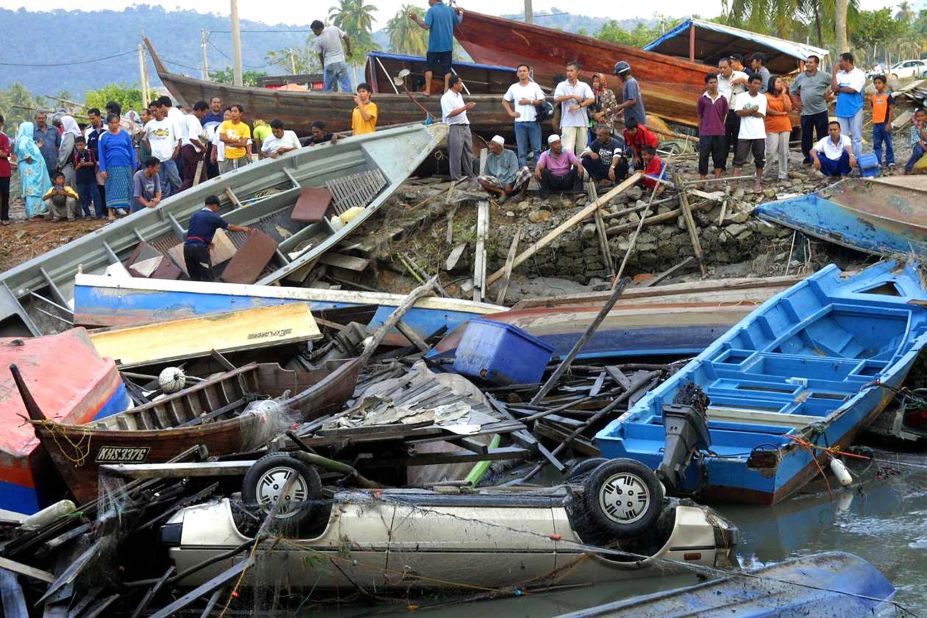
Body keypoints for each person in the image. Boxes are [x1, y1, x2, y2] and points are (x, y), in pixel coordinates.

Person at [183, 195, 253, 282]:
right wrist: (243, 228)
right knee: (208, 277)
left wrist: (207, 243)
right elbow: (229, 227)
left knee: (194, 277)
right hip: (199, 249)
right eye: (218, 207)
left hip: (187, 248)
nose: (217, 210)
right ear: (214, 205)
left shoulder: (194, 216)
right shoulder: (214, 217)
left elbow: (195, 232)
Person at [409, 0, 463, 94]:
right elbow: (458, 21)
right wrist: (461, 12)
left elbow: (426, 26)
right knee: (447, 69)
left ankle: (428, 90)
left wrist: (416, 18)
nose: (428, 1)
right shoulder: (450, 10)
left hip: (434, 47)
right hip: (447, 46)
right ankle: (446, 91)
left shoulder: (432, 11)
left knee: (429, 68)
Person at [790, 55, 831, 166]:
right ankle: (808, 158)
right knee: (806, 137)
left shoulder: (824, 76)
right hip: (806, 113)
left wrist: (829, 94)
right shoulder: (800, 77)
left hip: (821, 111)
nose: (807, 64)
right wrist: (796, 104)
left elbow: (834, 84)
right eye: (806, 62)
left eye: (810, 62)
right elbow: (792, 91)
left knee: (822, 136)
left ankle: (823, 157)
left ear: (817, 64)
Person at [502, 64, 546, 167]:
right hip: (519, 122)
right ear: (517, 73)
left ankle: (538, 171)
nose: (522, 73)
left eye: (524, 71)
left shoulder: (534, 86)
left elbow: (541, 100)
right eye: (520, 71)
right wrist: (511, 113)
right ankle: (523, 171)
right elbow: (504, 101)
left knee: (537, 149)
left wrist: (529, 101)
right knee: (521, 150)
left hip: (533, 121)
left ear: (528, 72)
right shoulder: (514, 87)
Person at [98, 112, 137, 221]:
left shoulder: (125, 134)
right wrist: (103, 169)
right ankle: (111, 212)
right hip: (111, 166)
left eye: (116, 122)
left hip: (125, 165)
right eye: (112, 123)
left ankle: (130, 210)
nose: (114, 125)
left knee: (128, 187)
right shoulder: (103, 137)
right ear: (108, 124)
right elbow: (101, 154)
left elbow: (130, 149)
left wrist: (134, 164)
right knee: (110, 188)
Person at [732, 74, 768, 191]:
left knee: (760, 158)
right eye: (754, 83)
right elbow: (738, 112)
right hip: (744, 133)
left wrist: (746, 111)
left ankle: (758, 182)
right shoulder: (741, 96)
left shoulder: (762, 98)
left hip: (759, 133)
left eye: (759, 84)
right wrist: (752, 110)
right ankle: (734, 182)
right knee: (739, 158)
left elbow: (761, 114)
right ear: (749, 84)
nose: (756, 86)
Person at [554, 61, 595, 155]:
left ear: (577, 72)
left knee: (582, 149)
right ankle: (568, 169)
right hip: (567, 122)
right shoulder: (562, 85)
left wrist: (579, 106)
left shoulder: (583, 85)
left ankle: (580, 169)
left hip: (582, 122)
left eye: (571, 70)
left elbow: (592, 99)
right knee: (567, 149)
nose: (569, 73)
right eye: (567, 71)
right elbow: (556, 98)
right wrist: (572, 96)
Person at [441, 75, 477, 181]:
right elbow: (449, 113)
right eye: (460, 83)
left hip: (465, 126)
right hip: (454, 127)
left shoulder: (459, 95)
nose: (462, 85)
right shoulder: (446, 97)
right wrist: (465, 107)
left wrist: (466, 107)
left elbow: (461, 110)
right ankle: (456, 179)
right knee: (455, 155)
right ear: (454, 84)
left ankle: (471, 176)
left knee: (468, 153)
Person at [832, 52, 866, 162]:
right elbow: (833, 88)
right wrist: (833, 73)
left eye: (841, 61)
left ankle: (857, 159)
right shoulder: (839, 74)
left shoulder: (859, 74)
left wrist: (840, 89)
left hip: (855, 109)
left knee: (856, 137)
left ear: (847, 61)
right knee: (843, 137)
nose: (839, 63)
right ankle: (845, 160)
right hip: (841, 109)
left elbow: (853, 90)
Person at [14, 122, 51, 219]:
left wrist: (37, 146)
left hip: (34, 170)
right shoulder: (24, 139)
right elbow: (22, 148)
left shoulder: (28, 140)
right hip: (30, 171)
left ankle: (38, 211)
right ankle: (33, 213)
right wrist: (27, 156)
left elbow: (31, 150)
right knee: (32, 190)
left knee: (35, 190)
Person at [476, 135, 530, 202]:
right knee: (480, 178)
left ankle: (521, 194)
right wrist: (492, 183)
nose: (490, 147)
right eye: (490, 144)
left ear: (500, 146)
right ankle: (501, 192)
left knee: (525, 170)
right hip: (498, 181)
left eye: (493, 145)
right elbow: (487, 173)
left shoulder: (510, 154)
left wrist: (508, 182)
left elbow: (514, 169)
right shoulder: (489, 157)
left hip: (510, 180)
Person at [145, 100, 181, 197]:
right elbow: (144, 138)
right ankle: (166, 200)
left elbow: (179, 138)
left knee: (175, 179)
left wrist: (176, 150)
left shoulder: (170, 122)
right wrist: (150, 150)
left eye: (155, 110)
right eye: (151, 111)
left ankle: (179, 198)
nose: (153, 113)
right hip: (156, 158)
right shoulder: (149, 125)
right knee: (161, 182)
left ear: (161, 109)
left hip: (169, 156)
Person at [697, 73, 729, 180]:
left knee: (719, 156)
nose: (713, 84)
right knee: (703, 156)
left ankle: (717, 178)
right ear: (706, 84)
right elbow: (699, 115)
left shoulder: (723, 99)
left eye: (715, 82)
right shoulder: (702, 99)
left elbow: (724, 114)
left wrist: (721, 127)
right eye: (711, 83)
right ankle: (702, 178)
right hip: (705, 132)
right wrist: (700, 130)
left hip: (719, 132)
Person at [717, 58, 748, 160]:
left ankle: (737, 163)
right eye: (720, 68)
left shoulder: (741, 76)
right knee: (723, 139)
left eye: (724, 67)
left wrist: (743, 81)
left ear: (731, 66)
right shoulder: (717, 79)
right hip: (723, 112)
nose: (722, 70)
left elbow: (754, 87)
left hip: (738, 112)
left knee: (738, 138)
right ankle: (721, 165)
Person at [311, 19, 352, 93]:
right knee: (346, 85)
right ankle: (348, 101)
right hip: (340, 62)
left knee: (327, 87)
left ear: (320, 29)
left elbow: (320, 56)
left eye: (315, 31)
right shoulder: (334, 29)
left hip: (329, 64)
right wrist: (348, 50)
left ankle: (327, 102)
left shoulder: (318, 40)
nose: (314, 33)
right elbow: (347, 37)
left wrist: (323, 67)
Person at [764, 75, 793, 181]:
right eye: (778, 82)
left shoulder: (783, 95)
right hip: (771, 126)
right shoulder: (765, 96)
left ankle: (783, 174)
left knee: (784, 152)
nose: (781, 84)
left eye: (781, 82)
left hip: (785, 126)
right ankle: (762, 173)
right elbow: (767, 110)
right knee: (770, 152)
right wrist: (780, 114)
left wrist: (784, 94)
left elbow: (788, 108)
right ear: (772, 84)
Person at [179, 101, 208, 191]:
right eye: (204, 112)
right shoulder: (193, 119)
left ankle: (181, 197)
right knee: (200, 178)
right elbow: (192, 137)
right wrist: (203, 148)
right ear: (199, 110)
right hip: (193, 150)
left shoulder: (185, 118)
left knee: (189, 178)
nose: (204, 115)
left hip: (184, 149)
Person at [72, 137, 103, 219]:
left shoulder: (89, 152)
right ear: (75, 145)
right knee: (83, 196)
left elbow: (93, 163)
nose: (80, 147)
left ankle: (99, 214)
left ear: (85, 144)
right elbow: (75, 168)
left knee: (96, 194)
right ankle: (87, 214)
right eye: (78, 145)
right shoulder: (75, 155)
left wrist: (84, 164)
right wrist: (80, 165)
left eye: (81, 145)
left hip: (91, 178)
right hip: (80, 179)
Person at [219, 104, 252, 173]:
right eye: (231, 111)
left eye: (235, 111)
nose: (233, 113)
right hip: (228, 156)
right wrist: (237, 140)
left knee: (241, 177)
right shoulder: (225, 124)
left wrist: (228, 143)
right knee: (227, 177)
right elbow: (222, 138)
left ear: (240, 113)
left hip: (241, 157)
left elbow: (243, 143)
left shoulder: (245, 127)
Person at [871, 75, 895, 168]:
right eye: (875, 83)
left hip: (885, 123)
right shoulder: (873, 97)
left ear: (884, 84)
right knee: (877, 144)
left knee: (888, 143)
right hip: (876, 124)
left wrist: (889, 124)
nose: (877, 85)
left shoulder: (888, 96)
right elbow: (874, 108)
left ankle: (890, 161)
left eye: (879, 83)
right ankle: (878, 162)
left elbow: (891, 110)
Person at [613, 61, 646, 128]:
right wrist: (622, 111)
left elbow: (632, 101)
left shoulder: (630, 83)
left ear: (622, 74)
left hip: (636, 120)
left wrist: (619, 106)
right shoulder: (629, 82)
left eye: (618, 75)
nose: (618, 77)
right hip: (632, 119)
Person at [33, 112, 60, 181]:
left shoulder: (54, 130)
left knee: (55, 187)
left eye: (43, 118)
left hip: (54, 164)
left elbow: (59, 145)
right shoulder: (32, 131)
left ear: (46, 118)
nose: (41, 120)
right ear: (35, 119)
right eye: (39, 118)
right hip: (40, 166)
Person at [56, 115, 81, 189]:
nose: (61, 126)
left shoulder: (70, 135)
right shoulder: (70, 134)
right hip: (72, 165)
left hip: (68, 165)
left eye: (62, 124)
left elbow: (66, 151)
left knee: (68, 186)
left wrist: (60, 164)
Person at [202, 96, 224, 179]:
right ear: (211, 104)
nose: (216, 104)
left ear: (221, 104)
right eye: (214, 102)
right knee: (210, 169)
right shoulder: (205, 117)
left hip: (221, 146)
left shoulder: (224, 117)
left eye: (218, 102)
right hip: (209, 146)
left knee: (220, 168)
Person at [905, 109, 927, 174]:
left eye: (922, 116)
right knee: (918, 152)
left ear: (926, 116)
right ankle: (908, 168)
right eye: (918, 116)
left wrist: (921, 130)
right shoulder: (913, 128)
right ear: (915, 117)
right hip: (920, 145)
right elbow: (918, 141)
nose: (920, 118)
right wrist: (926, 149)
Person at [210, 108, 231, 172]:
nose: (226, 117)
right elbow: (215, 142)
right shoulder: (220, 126)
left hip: (233, 156)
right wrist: (212, 154)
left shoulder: (235, 126)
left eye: (228, 115)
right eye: (225, 115)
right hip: (221, 157)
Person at [0, 115, 10, 225]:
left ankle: (5, 217)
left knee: (5, 194)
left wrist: (3, 153)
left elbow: (7, 154)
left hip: (4, 171)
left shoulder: (4, 137)